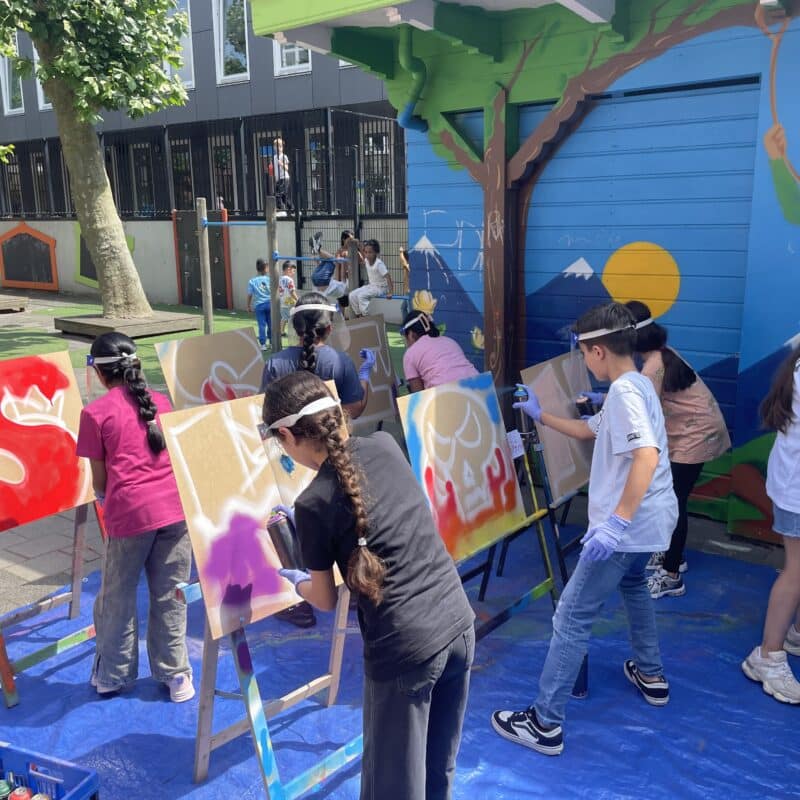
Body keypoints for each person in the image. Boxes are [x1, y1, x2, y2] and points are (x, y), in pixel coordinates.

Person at [263, 371, 475, 799]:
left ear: (286, 434)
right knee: (437, 772)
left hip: (407, 649)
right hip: (458, 624)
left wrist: (298, 581)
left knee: (394, 788)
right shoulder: (383, 444)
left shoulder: (313, 503)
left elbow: (324, 599)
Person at [491, 302, 677, 756]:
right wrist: (540, 415)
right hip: (652, 525)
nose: (584, 361)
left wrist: (616, 523)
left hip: (628, 530)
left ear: (597, 351)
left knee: (571, 617)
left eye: (583, 352)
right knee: (634, 585)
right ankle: (651, 673)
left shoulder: (626, 393)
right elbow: (589, 430)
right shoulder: (635, 384)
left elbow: (646, 455)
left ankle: (545, 723)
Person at [76, 332, 194, 703]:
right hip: (176, 510)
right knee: (171, 594)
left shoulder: (94, 413)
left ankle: (113, 675)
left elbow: (99, 480)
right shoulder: (161, 402)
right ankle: (177, 674)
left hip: (130, 515)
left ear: (99, 373)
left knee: (117, 597)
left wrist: (104, 499)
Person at [624, 301, 731, 599]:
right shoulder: (660, 354)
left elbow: (643, 410)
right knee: (672, 497)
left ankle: (671, 575)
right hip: (693, 430)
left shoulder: (652, 366)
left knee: (673, 501)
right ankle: (674, 554)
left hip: (696, 434)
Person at [742, 344, 800, 704]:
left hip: (791, 484)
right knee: (796, 572)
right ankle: (767, 656)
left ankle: (795, 635)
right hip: (796, 491)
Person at [261, 291, 374, 421]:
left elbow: (264, 409)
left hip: (286, 434)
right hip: (330, 433)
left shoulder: (274, 363)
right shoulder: (341, 362)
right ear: (329, 328)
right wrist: (364, 377)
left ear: (296, 327)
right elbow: (354, 410)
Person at [401, 310, 478, 392]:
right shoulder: (449, 341)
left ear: (411, 334)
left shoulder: (410, 354)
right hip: (480, 387)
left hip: (446, 394)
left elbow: (417, 394)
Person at [349, 239, 393, 317]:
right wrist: (359, 245)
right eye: (366, 252)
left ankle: (367, 316)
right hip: (371, 286)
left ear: (376, 253)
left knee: (361, 296)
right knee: (352, 295)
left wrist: (390, 292)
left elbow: (388, 277)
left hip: (381, 288)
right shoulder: (366, 260)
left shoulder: (379, 264)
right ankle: (359, 315)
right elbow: (363, 254)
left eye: (370, 252)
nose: (367, 255)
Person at [246, 258, 272, 351]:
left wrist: (248, 306)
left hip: (259, 306)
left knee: (262, 325)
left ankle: (263, 344)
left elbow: (249, 294)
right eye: (268, 267)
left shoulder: (252, 281)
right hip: (270, 304)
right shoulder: (269, 279)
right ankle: (272, 343)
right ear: (265, 268)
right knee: (271, 324)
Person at [277, 261, 298, 338]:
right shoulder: (290, 280)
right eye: (293, 271)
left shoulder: (280, 279)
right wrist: (297, 299)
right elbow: (292, 291)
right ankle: (294, 332)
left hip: (283, 301)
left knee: (284, 318)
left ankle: (281, 331)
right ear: (288, 269)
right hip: (290, 301)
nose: (294, 273)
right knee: (293, 317)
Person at [273, 137, 292, 212]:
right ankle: (292, 209)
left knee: (278, 194)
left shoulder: (284, 156)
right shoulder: (274, 157)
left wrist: (281, 164)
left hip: (284, 178)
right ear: (274, 147)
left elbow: (287, 168)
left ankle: (280, 209)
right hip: (278, 178)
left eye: (280, 146)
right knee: (284, 196)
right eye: (276, 146)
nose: (278, 148)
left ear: (282, 147)